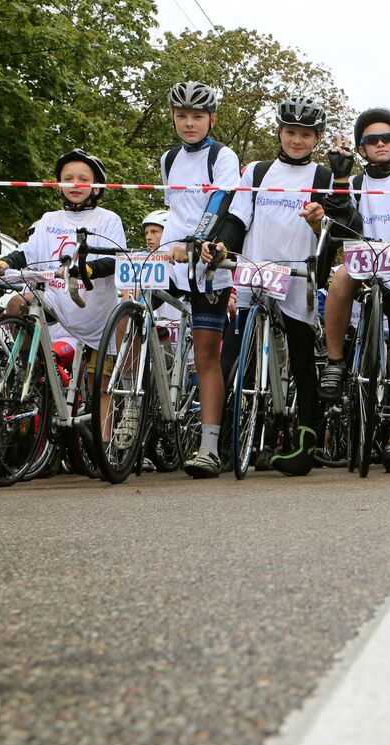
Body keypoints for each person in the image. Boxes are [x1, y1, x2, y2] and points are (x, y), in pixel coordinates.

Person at [206, 97, 359, 476]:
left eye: (305, 134)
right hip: (253, 271)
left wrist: (319, 221)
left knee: (302, 361)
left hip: (295, 276)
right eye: (290, 132)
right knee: (233, 358)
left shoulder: (324, 177)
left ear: (317, 137)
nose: (296, 140)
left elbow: (342, 231)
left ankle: (305, 444)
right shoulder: (257, 172)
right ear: (280, 132)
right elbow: (236, 218)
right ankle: (222, 444)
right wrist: (223, 243)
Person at [318, 106, 390, 472]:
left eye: (388, 138)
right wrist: (338, 180)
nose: (380, 143)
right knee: (340, 278)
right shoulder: (353, 182)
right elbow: (343, 220)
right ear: (362, 148)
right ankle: (336, 362)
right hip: (364, 263)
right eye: (372, 140)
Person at [0, 149, 127, 444]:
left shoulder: (108, 219)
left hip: (94, 311)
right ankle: (30, 371)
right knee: (16, 303)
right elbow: (27, 251)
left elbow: (115, 259)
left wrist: (84, 268)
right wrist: (4, 262)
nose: (74, 184)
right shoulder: (48, 219)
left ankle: (104, 444)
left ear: (96, 186)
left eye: (82, 179)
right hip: (57, 304)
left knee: (99, 383)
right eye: (67, 178)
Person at [156, 81, 241, 478]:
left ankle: (209, 446)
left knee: (206, 355)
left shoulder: (223, 156)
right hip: (171, 259)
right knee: (142, 329)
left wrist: (199, 241)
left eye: (197, 116)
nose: (189, 123)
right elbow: (174, 209)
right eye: (181, 116)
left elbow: (218, 202)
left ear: (212, 119)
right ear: (173, 117)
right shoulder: (169, 158)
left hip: (206, 259)